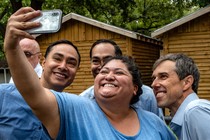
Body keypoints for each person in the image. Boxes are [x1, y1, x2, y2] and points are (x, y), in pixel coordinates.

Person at [4, 8, 176, 139]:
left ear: (135, 88)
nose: (108, 75)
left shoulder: (154, 123)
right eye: (104, 71)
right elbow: (33, 92)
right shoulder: (75, 108)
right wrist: (12, 48)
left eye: (118, 72)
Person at [1, 19, 81, 140]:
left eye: (71, 63)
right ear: (43, 62)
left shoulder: (72, 111)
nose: (63, 66)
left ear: (76, 71)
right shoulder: (4, 95)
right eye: (57, 59)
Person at [80, 39, 164, 120]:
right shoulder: (84, 100)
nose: (101, 66)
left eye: (108, 60)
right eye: (95, 61)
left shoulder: (147, 96)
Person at [151, 53, 202, 139]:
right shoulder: (184, 117)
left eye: (163, 76)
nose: (153, 84)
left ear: (187, 82)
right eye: (154, 78)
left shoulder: (195, 111)